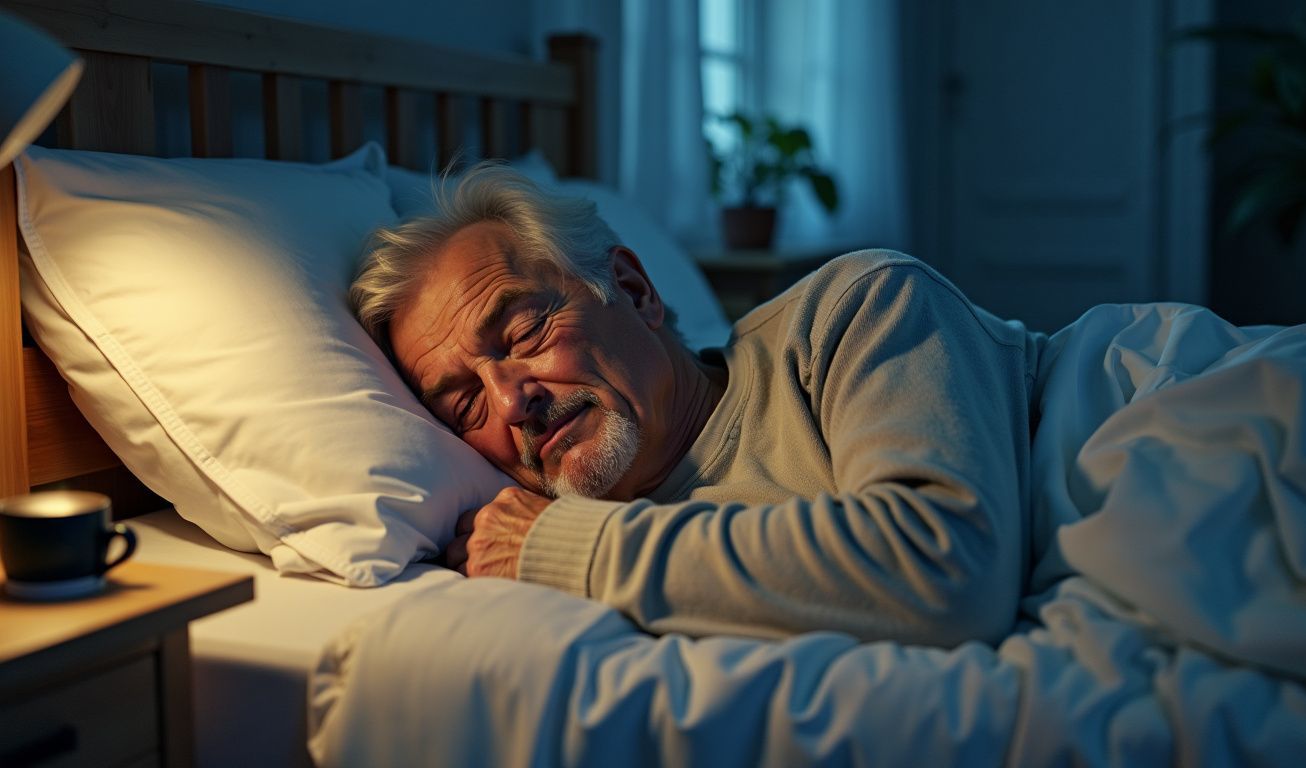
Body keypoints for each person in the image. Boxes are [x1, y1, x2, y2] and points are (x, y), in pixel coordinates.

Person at [349, 161, 1045, 647]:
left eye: (526, 331)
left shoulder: (855, 311)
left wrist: (559, 546)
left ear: (636, 290)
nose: (510, 402)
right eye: (465, 403)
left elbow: (947, 569)